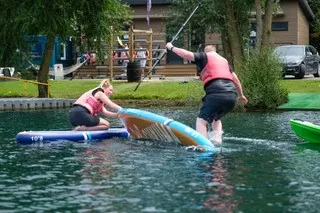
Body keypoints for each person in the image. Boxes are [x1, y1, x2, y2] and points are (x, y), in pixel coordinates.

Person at [165, 42, 248, 145]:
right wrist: (241, 95)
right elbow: (236, 80)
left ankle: (203, 146)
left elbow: (186, 55)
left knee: (201, 121)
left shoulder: (204, 56)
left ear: (206, 51)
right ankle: (217, 142)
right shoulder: (225, 62)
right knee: (216, 118)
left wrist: (171, 47)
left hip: (217, 93)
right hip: (232, 96)